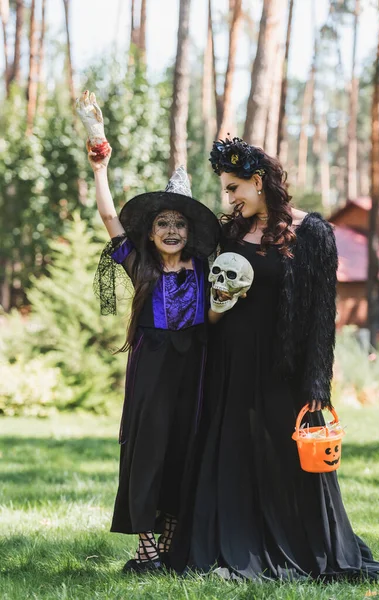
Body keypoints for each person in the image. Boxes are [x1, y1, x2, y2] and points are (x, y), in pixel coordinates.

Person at [171, 137, 379, 581]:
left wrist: (317, 387)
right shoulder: (231, 232)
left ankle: (299, 547)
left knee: (284, 456)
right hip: (230, 363)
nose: (231, 198)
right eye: (227, 190)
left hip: (283, 369)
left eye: (235, 187)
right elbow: (207, 291)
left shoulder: (313, 232)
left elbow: (320, 316)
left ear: (258, 182)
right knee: (231, 451)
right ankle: (231, 545)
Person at [77, 91, 220, 573]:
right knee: (149, 447)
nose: (173, 229)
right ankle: (146, 547)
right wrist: (100, 162)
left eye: (180, 222)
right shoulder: (139, 266)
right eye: (164, 223)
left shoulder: (205, 267)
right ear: (152, 231)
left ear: (190, 232)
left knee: (186, 444)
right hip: (153, 367)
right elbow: (109, 219)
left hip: (196, 367)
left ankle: (174, 542)